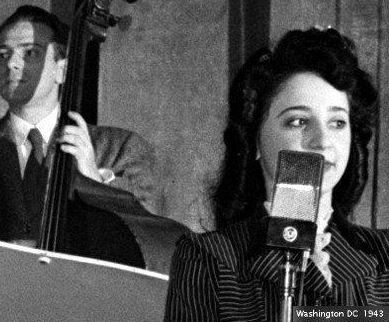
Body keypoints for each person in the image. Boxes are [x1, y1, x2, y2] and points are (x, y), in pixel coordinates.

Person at [164, 27, 386, 321]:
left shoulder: (383, 256)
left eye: (337, 123)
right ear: (255, 139)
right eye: (298, 121)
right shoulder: (208, 258)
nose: (322, 141)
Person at [0, 4, 186, 271]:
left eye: (30, 53)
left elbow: (150, 237)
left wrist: (93, 181)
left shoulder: (123, 149)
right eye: (2, 54)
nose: (11, 63)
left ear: (62, 70)